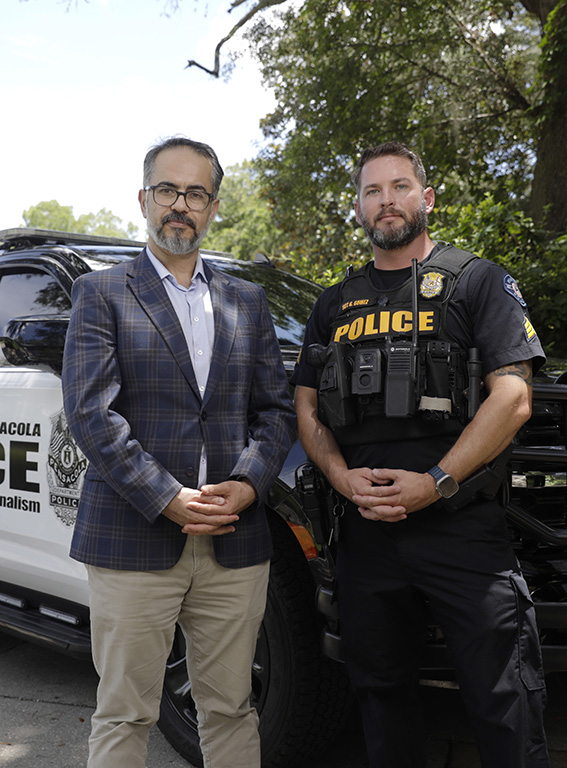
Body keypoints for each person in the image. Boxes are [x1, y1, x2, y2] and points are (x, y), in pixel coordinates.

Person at [292, 141, 551, 768]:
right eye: (373, 191)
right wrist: (340, 477)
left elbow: (513, 397)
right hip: (367, 536)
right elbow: (306, 407)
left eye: (400, 186)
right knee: (380, 698)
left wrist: (434, 482)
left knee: (503, 697)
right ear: (358, 207)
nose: (387, 201)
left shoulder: (477, 282)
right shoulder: (334, 303)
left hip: (460, 529)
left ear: (426, 198)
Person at [62, 136, 296, 768]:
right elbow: (90, 414)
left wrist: (248, 485)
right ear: (144, 199)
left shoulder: (246, 302)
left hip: (234, 540)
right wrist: (166, 498)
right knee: (124, 714)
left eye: (196, 193)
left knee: (230, 712)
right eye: (168, 190)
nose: (180, 205)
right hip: (134, 538)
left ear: (213, 206)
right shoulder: (102, 293)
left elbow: (275, 410)